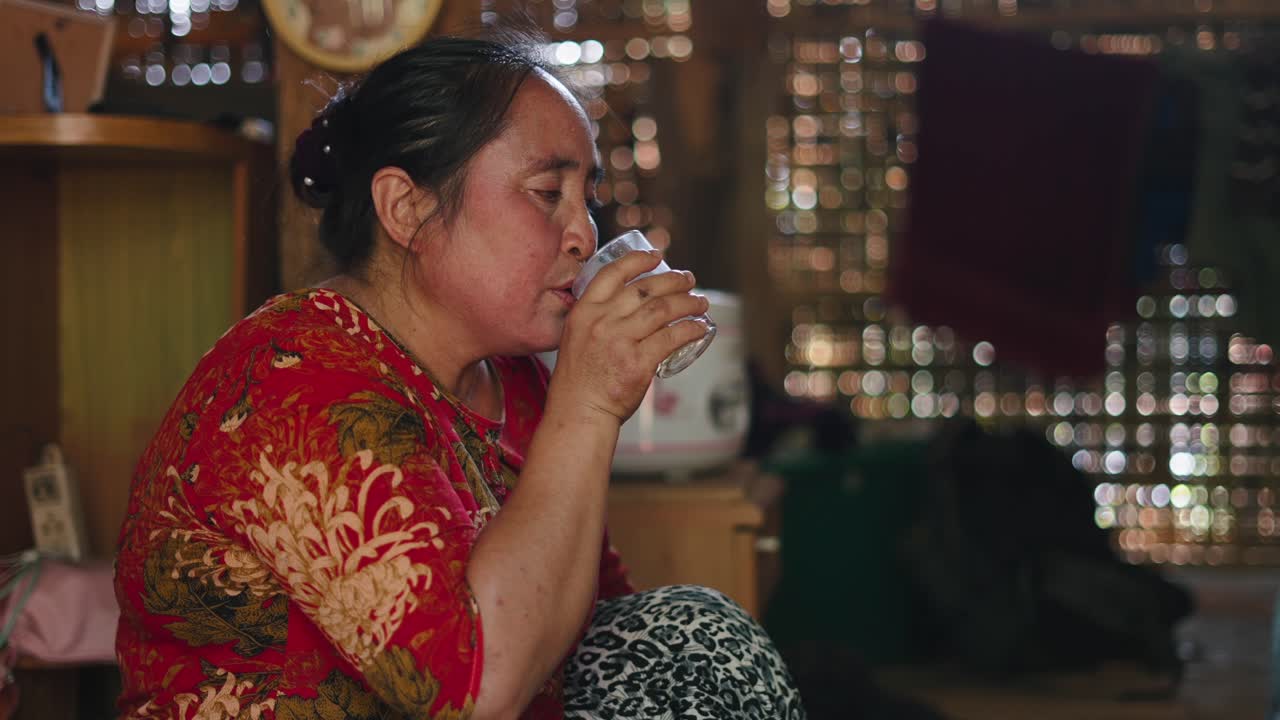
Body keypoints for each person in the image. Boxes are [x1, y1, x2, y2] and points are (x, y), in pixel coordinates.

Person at [113, 32, 805, 720]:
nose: (584, 236)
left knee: (696, 642)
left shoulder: (515, 379)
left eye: (584, 196)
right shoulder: (292, 380)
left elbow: (597, 614)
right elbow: (473, 693)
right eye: (546, 192)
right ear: (406, 209)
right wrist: (589, 407)